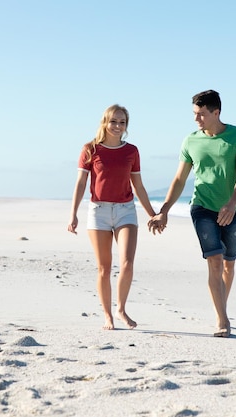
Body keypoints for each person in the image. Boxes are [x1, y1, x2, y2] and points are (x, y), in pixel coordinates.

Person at [149, 90, 236, 338]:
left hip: (231, 208)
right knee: (214, 261)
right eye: (195, 114)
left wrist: (231, 203)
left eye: (201, 114)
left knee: (229, 264)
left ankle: (221, 309)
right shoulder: (191, 141)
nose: (197, 119)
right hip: (202, 207)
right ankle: (222, 318)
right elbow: (179, 179)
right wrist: (163, 211)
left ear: (216, 112)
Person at [68, 104, 157, 330]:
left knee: (127, 263)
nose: (118, 126)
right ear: (105, 122)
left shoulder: (131, 151)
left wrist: (152, 214)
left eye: (122, 122)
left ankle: (121, 310)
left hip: (126, 209)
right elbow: (80, 184)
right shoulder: (90, 149)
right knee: (104, 268)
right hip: (98, 212)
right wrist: (73, 214)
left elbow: (138, 185)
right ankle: (107, 315)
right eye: (114, 121)